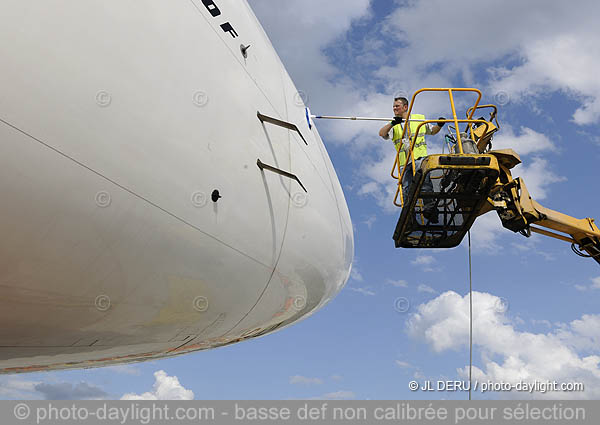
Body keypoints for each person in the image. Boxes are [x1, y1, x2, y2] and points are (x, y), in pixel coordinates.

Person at [379, 96, 445, 222]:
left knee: (425, 183)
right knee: (406, 188)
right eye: (393, 106)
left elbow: (432, 131)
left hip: (419, 158)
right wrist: (393, 123)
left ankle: (429, 209)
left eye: (397, 106)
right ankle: (409, 214)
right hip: (404, 162)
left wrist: (439, 125)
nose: (394, 108)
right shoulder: (394, 125)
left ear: (405, 107)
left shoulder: (418, 119)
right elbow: (382, 134)